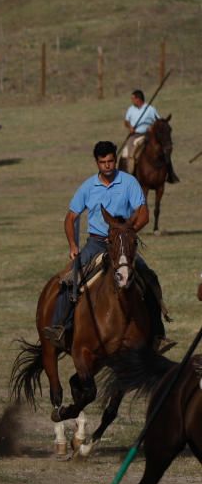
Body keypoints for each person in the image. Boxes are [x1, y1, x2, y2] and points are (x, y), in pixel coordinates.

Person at [43, 141, 173, 353]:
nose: (107, 166)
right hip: (96, 242)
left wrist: (127, 236)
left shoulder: (129, 183)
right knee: (69, 278)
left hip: (122, 244)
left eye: (111, 161)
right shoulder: (88, 187)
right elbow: (71, 217)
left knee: (149, 277)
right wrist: (73, 245)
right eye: (103, 162)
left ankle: (158, 335)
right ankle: (60, 327)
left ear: (115, 159)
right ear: (97, 163)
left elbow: (144, 214)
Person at [119, 89, 162, 174]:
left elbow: (158, 122)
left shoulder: (150, 109)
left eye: (133, 99)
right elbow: (126, 121)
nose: (131, 101)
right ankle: (128, 172)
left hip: (148, 135)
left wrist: (152, 127)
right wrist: (130, 127)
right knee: (127, 152)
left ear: (138, 99)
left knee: (163, 150)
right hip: (135, 135)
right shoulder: (130, 109)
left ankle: (169, 172)